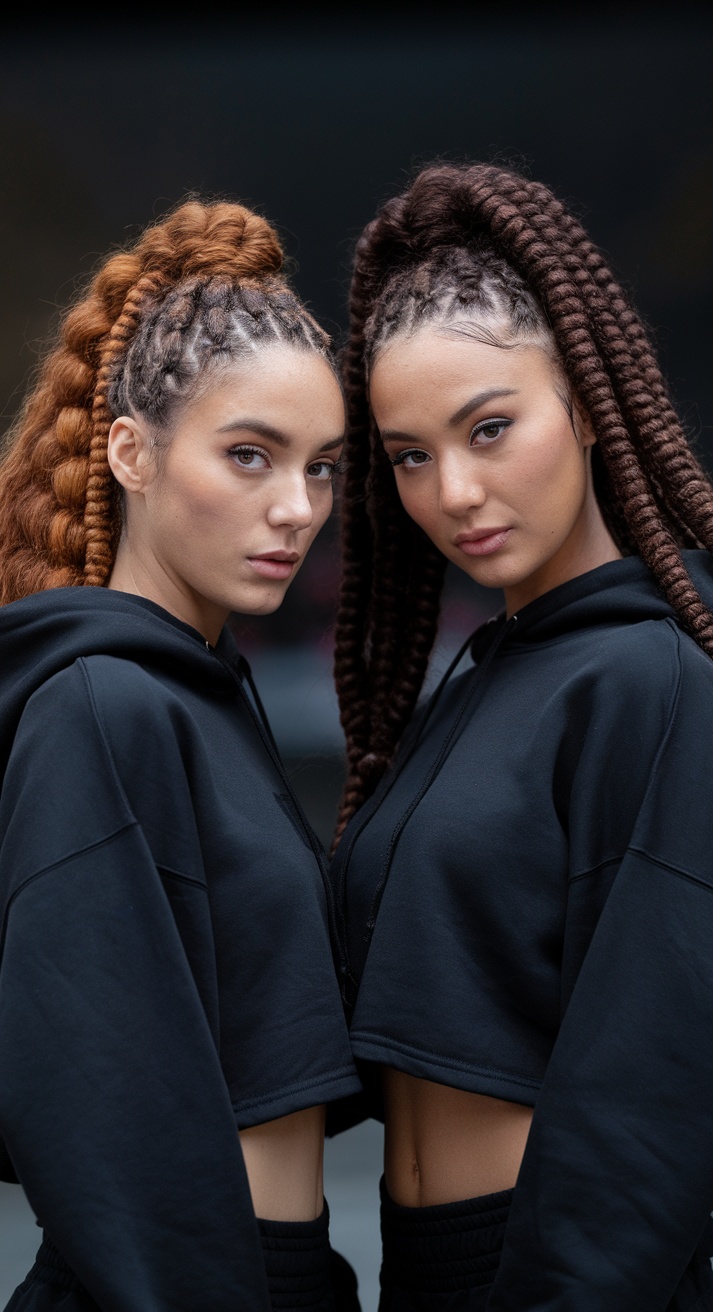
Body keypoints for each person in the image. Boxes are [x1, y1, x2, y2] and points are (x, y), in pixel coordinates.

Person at [328, 160, 713, 1310]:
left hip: (571, 1280)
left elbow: (656, 1090)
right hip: (429, 1271)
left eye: (490, 427)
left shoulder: (650, 680)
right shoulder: (477, 684)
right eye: (409, 454)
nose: (453, 490)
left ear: (591, 407)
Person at [0, 197, 363, 1311]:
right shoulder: (103, 705)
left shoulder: (197, 692)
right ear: (131, 453)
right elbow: (100, 1119)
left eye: (321, 466)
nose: (295, 507)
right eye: (249, 455)